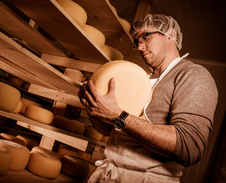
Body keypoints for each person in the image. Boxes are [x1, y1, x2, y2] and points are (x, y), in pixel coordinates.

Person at [78, 14, 218, 182]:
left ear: (170, 35)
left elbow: (189, 148)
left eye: (146, 36)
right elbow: (109, 131)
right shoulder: (139, 79)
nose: (140, 47)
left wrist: (118, 115)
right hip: (109, 173)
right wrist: (93, 107)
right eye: (136, 42)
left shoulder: (193, 75)